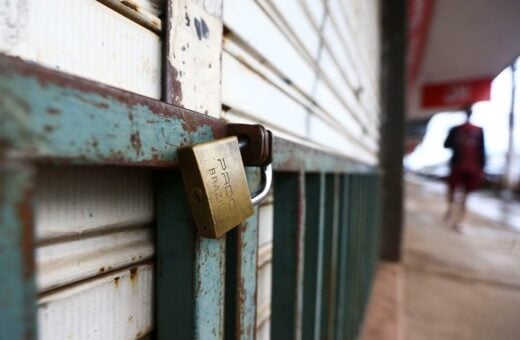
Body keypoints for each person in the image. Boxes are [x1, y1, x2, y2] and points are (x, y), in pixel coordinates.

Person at [443, 105, 486, 231]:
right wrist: (482, 168)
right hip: (471, 166)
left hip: (460, 165)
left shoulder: (457, 129)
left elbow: (446, 144)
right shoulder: (477, 130)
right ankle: (460, 219)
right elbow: (482, 151)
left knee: (454, 190)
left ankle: (452, 211)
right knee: (465, 195)